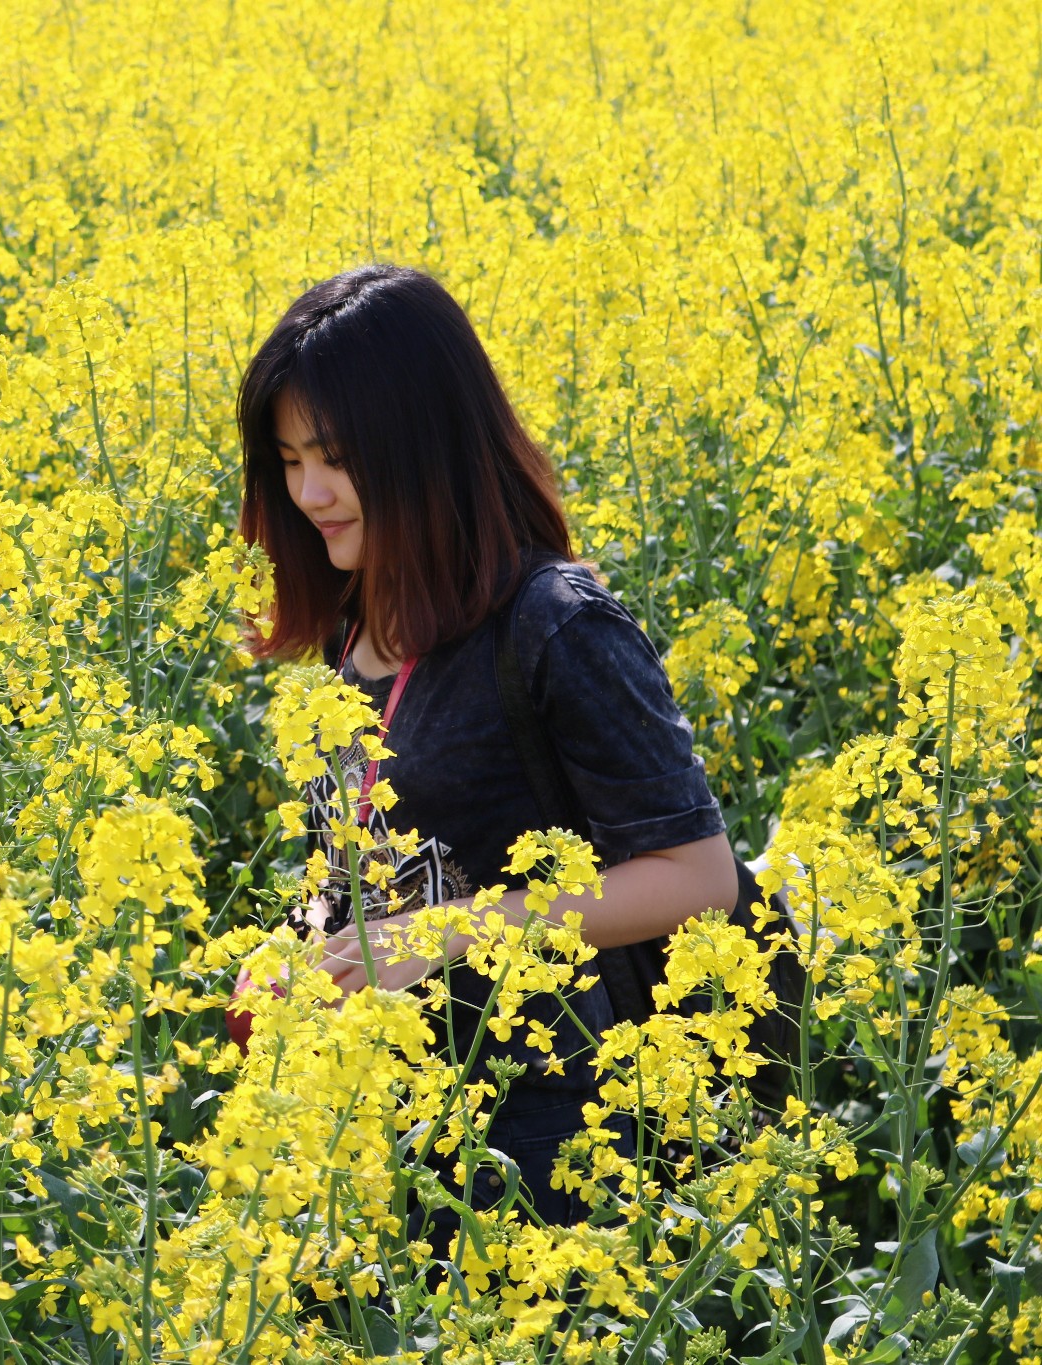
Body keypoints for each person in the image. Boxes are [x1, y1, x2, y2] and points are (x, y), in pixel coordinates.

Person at [232, 263, 740, 1227]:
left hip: (552, 1124)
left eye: (334, 456)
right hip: (383, 1114)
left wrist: (443, 933)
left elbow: (697, 874)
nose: (308, 492)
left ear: (422, 444)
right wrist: (297, 943)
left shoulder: (553, 624)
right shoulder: (359, 618)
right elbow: (377, 860)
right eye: (289, 459)